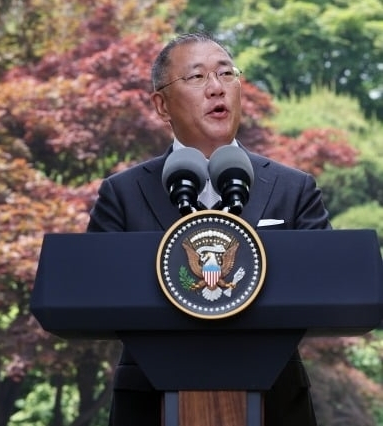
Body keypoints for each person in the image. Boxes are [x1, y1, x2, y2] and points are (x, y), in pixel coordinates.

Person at [87, 33, 329, 426]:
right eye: (197, 78)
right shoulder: (124, 193)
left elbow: (330, 282)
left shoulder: (293, 187)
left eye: (227, 74)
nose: (217, 88)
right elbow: (91, 292)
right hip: (150, 403)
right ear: (162, 105)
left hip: (275, 402)